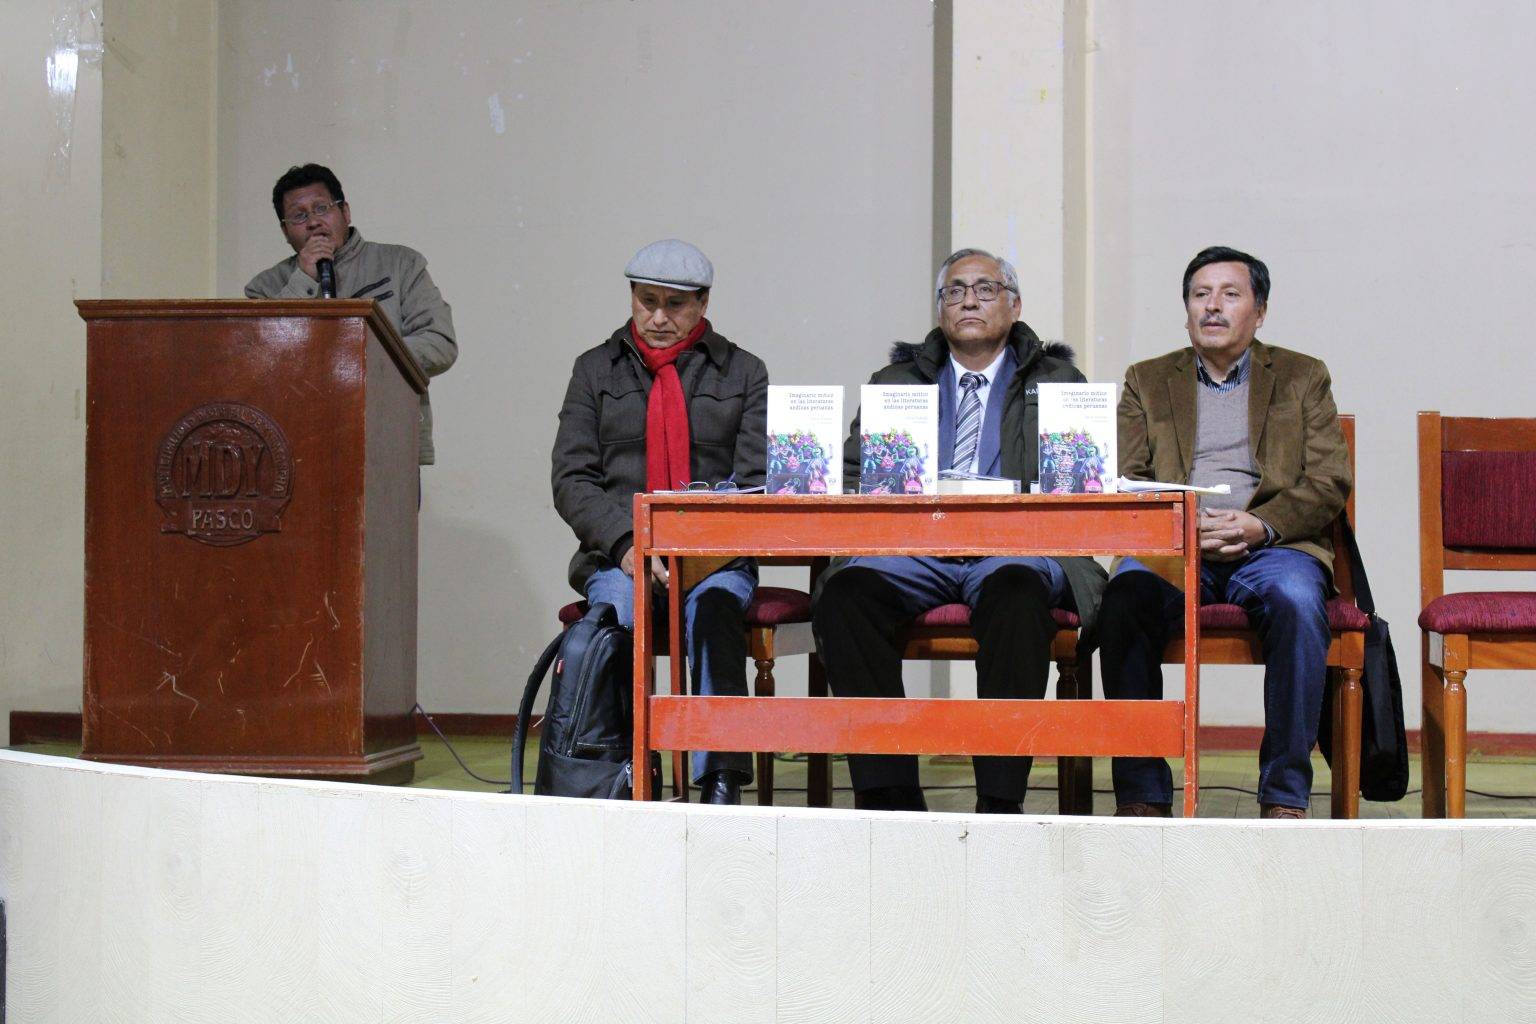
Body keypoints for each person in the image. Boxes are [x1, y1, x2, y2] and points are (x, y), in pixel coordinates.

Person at [811, 248, 1107, 812]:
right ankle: (889, 797)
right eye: (955, 290)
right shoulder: (896, 381)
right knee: (846, 595)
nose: (969, 300)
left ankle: (1000, 800)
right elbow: (851, 475)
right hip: (914, 551)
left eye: (986, 289)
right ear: (941, 307)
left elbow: (1083, 483)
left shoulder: (1058, 381)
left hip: (1015, 548)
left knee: (1018, 594)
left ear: (1014, 306)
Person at [1099, 245, 1352, 819]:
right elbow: (1125, 476)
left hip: (1273, 545)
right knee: (1122, 600)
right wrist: (1185, 529)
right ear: (1186, 309)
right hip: (1173, 545)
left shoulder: (1301, 376)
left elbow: (1330, 479)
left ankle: (1284, 792)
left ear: (1259, 312)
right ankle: (1142, 792)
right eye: (1199, 295)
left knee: (1295, 600)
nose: (1212, 307)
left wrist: (1260, 524)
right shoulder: (1147, 379)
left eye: (1229, 295)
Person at [551, 239, 768, 805]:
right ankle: (618, 771)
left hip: (714, 557)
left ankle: (721, 776)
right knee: (614, 621)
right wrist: (628, 546)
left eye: (675, 306)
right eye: (646, 302)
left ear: (702, 304)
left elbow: (755, 484)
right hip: (622, 555)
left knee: (717, 613)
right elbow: (573, 479)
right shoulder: (594, 370)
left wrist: (696, 556)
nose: (657, 318)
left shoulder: (743, 372)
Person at [245, 163, 457, 465]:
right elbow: (258, 364)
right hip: (298, 447)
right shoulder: (264, 288)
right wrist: (304, 279)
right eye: (299, 215)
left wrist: (357, 357)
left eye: (322, 208)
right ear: (284, 230)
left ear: (345, 212)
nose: (314, 222)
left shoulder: (400, 265)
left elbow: (439, 344)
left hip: (387, 442)